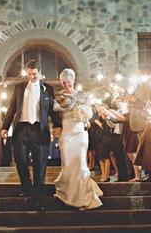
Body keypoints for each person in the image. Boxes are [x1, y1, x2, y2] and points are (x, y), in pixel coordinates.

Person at [0, 60, 61, 211]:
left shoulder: (48, 89)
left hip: (40, 131)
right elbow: (12, 108)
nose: (31, 77)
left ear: (39, 73)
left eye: (34, 74)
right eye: (29, 74)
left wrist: (58, 125)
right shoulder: (19, 87)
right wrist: (4, 127)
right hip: (21, 129)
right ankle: (27, 189)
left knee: (40, 166)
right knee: (20, 161)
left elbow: (53, 110)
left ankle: (38, 198)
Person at [52, 69, 103, 210]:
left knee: (80, 163)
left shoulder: (83, 95)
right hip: (67, 132)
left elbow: (90, 113)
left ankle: (83, 198)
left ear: (73, 80)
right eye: (63, 82)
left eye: (68, 82)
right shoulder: (59, 96)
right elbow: (55, 110)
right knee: (68, 164)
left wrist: (82, 111)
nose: (66, 84)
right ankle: (68, 195)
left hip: (80, 133)